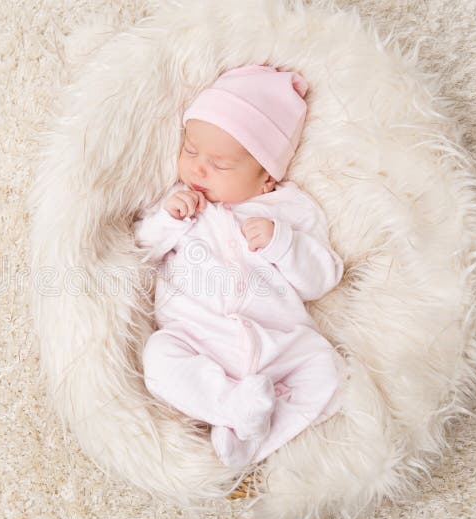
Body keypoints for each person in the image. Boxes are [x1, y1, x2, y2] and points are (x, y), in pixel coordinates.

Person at [134, 64, 346, 468]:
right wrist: (168, 220)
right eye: (191, 150)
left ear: (267, 177)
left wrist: (283, 243)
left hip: (279, 343)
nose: (197, 168)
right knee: (159, 358)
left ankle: (249, 436)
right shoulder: (181, 204)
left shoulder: (291, 210)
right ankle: (230, 407)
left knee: (328, 371)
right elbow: (139, 252)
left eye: (221, 163)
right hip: (198, 339)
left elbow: (322, 278)